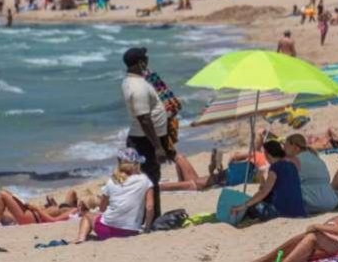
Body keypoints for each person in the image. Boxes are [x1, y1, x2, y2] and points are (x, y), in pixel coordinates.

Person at [121, 47, 169, 218]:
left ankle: (149, 216)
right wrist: (158, 147)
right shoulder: (138, 86)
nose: (148, 61)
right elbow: (144, 118)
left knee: (146, 178)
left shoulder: (132, 81)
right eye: (145, 59)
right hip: (144, 141)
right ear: (140, 62)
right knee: (149, 180)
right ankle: (153, 217)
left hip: (141, 138)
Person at [74, 148, 154, 243]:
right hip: (131, 231)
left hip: (105, 230)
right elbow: (150, 207)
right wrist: (147, 228)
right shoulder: (144, 180)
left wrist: (101, 214)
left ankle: (81, 238)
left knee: (87, 215)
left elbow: (102, 207)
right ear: (137, 164)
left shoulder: (113, 180)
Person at [230, 140, 306, 221]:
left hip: (282, 213)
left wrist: (242, 206)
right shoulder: (291, 165)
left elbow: (263, 192)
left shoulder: (275, 168)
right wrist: (262, 180)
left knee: (252, 207)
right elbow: (272, 189)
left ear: (267, 154)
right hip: (299, 211)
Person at [0, 190, 78, 233]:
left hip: (30, 218)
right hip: (30, 214)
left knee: (1, 195)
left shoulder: (74, 210)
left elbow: (53, 220)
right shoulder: (68, 207)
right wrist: (52, 206)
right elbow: (72, 193)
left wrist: (38, 209)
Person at [284, 134, 338, 214]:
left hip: (311, 204)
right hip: (331, 202)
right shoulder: (318, 159)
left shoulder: (293, 162)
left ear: (295, 147)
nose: (284, 149)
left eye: (286, 146)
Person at [160, 150, 226, 191]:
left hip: (197, 184)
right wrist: (216, 165)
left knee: (160, 187)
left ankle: (181, 184)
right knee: (180, 158)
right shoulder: (231, 170)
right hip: (199, 180)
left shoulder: (231, 174)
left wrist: (212, 168)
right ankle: (181, 182)